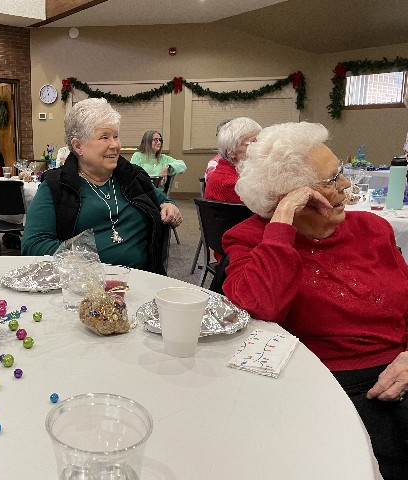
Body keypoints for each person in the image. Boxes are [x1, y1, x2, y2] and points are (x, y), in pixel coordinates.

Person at [222, 122, 408, 480]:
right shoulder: (251, 240)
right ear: (291, 196)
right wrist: (282, 224)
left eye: (341, 173)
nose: (346, 185)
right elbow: (261, 306)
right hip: (329, 384)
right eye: (331, 181)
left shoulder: (373, 228)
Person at [21, 98, 182, 274]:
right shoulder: (56, 187)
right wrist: (84, 260)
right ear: (78, 146)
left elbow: (159, 198)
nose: (115, 145)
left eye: (116, 136)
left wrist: (168, 205)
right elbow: (33, 245)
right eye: (104, 137)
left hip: (143, 279)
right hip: (87, 283)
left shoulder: (132, 176)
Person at [204, 117, 261, 203]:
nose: (260, 147)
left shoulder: (235, 171)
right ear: (231, 151)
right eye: (253, 142)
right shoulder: (231, 183)